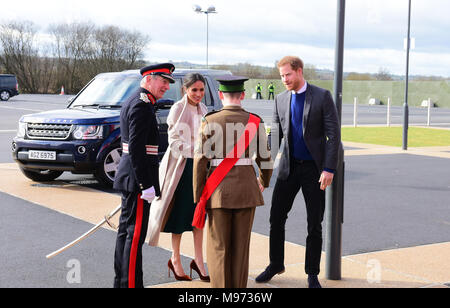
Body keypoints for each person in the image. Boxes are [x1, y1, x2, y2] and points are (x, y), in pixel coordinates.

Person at [255, 56, 340, 288]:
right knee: (276, 218)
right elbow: (274, 136)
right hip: (289, 168)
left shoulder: (322, 96)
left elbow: (334, 135)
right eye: (281, 76)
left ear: (299, 71)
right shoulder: (280, 99)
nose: (284, 80)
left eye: (288, 75)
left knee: (314, 222)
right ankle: (275, 264)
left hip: (314, 169)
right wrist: (264, 172)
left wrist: (329, 168)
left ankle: (312, 273)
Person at [193, 75, 273, 288]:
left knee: (219, 248)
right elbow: (265, 158)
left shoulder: (210, 120)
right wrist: (263, 180)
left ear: (220, 95)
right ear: (243, 95)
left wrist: (199, 194)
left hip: (217, 191)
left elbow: (200, 161)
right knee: (240, 248)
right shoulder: (255, 121)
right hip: (247, 191)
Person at [113, 63, 175, 288]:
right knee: (133, 235)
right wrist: (145, 184)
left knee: (126, 233)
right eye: (163, 81)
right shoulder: (141, 105)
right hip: (137, 180)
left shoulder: (138, 101)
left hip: (132, 178)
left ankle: (123, 283)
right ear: (149, 79)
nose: (167, 86)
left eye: (168, 82)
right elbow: (137, 149)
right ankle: (130, 284)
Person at [147, 73, 210, 282]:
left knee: (199, 217)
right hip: (181, 168)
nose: (198, 94)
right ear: (185, 89)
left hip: (201, 168)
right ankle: (175, 259)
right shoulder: (177, 108)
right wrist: (196, 151)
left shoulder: (205, 110)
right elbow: (173, 140)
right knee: (180, 217)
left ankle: (199, 260)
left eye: (201, 90)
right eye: (194, 90)